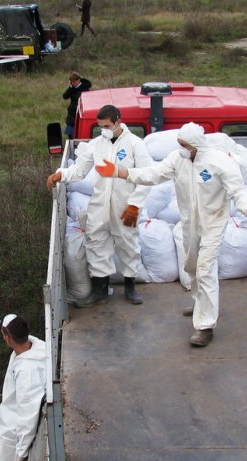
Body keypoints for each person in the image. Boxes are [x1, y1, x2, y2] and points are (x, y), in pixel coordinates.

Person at [94, 123, 247, 347]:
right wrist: (119, 172)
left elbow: (239, 192)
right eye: (179, 144)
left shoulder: (219, 162)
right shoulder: (177, 160)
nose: (181, 148)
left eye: (185, 145)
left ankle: (205, 326)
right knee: (191, 265)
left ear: (196, 145)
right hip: (189, 223)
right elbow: (153, 174)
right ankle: (200, 303)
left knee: (205, 269)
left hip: (213, 224)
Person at [46, 104, 153, 308]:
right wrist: (62, 174)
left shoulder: (134, 144)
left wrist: (134, 205)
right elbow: (79, 169)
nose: (102, 129)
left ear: (118, 122)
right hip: (99, 204)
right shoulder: (96, 144)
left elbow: (146, 177)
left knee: (127, 243)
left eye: (106, 125)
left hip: (125, 206)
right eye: (100, 125)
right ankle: (100, 290)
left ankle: (130, 286)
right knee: (95, 242)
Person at [0, 314, 47, 461]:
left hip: (11, 433)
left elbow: (28, 415)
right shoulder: (30, 345)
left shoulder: (28, 372)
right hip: (6, 420)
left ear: (8, 339)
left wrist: (20, 455)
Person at [62, 72, 93, 139]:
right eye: (72, 82)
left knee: (80, 133)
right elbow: (65, 96)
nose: (73, 83)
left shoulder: (85, 89)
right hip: (72, 113)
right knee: (71, 134)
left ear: (78, 80)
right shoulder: (72, 88)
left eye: (74, 81)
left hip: (81, 113)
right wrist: (70, 88)